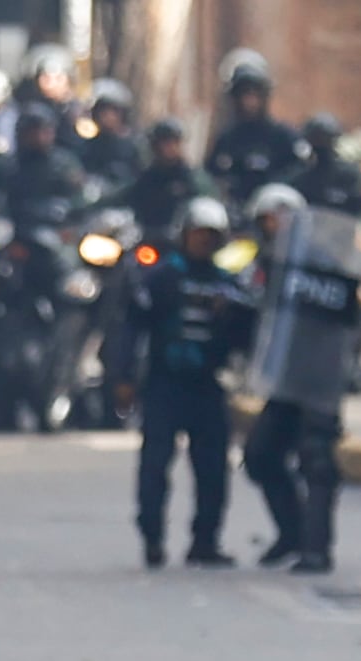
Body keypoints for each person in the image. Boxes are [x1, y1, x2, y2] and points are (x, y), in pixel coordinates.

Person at [117, 196, 252, 568]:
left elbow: (247, 337)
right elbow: (132, 329)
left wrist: (233, 316)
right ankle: (153, 538)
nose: (204, 242)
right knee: (155, 465)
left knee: (212, 468)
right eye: (198, 234)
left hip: (207, 386)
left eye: (212, 236)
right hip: (164, 383)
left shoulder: (228, 285)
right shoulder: (161, 278)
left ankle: (205, 541)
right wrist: (124, 377)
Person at [239, 182, 356, 571]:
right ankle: (292, 532)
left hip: (319, 380)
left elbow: (346, 321)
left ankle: (316, 548)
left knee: (318, 462)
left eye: (280, 218)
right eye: (268, 221)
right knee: (260, 455)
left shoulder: (324, 263)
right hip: (285, 381)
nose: (275, 227)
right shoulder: (264, 265)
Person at [206, 48, 299, 204]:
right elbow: (211, 180)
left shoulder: (284, 137)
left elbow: (300, 178)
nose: (249, 102)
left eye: (255, 94)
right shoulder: (226, 140)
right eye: (243, 94)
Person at [115, 117, 211, 247]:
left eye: (174, 142)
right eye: (164, 142)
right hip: (144, 241)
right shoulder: (146, 178)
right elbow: (122, 198)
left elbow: (208, 206)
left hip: (182, 244)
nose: (169, 148)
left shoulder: (192, 179)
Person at [288, 114, 361, 216]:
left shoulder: (348, 176)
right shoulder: (300, 178)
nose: (321, 144)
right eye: (316, 139)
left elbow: (360, 208)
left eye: (326, 139)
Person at [79, 80, 141, 193]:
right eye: (102, 110)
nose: (107, 116)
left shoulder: (136, 146)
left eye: (113, 111)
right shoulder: (86, 147)